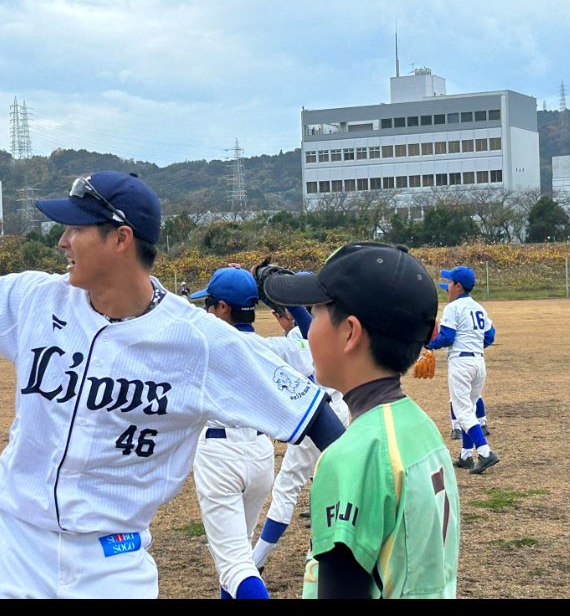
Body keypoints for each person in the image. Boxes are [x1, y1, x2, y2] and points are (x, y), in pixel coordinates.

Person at [0, 171, 346, 598]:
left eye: (76, 228)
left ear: (120, 240)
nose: (62, 241)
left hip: (112, 561)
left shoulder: (199, 341)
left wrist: (372, 492)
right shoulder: (34, 298)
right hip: (9, 539)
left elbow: (313, 413)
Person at [260, 242, 460, 598]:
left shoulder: (354, 455)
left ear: (350, 333)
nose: (308, 329)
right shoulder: (418, 425)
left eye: (317, 311)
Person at [187, 266, 316, 599]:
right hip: (260, 457)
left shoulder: (205, 349)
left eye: (210, 304)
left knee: (235, 567)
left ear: (224, 308)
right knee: (238, 557)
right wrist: (290, 297)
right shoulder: (274, 349)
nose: (207, 310)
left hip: (220, 457)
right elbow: (313, 341)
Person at [253, 285, 353, 573]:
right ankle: (324, 542)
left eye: (279, 312)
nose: (277, 318)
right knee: (328, 479)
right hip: (339, 409)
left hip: (314, 415)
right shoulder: (330, 330)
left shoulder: (298, 337)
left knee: (287, 487)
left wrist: (271, 291)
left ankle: (256, 560)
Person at [428, 266, 500, 475]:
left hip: (461, 363)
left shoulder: (453, 308)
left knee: (462, 411)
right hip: (478, 362)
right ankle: (466, 456)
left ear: (458, 286)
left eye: (450, 283)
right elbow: (490, 336)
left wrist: (429, 345)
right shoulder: (478, 308)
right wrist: (473, 345)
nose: (448, 287)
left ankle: (485, 452)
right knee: (469, 407)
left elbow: (447, 337)